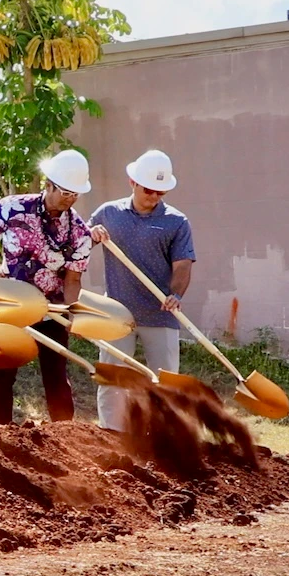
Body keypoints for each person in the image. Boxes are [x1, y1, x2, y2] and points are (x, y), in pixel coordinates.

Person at [89, 149, 194, 431]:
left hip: (160, 313)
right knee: (113, 379)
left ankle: (163, 437)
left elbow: (183, 264)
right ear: (132, 182)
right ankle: (111, 433)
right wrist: (91, 234)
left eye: (161, 192)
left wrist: (176, 294)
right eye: (149, 189)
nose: (154, 197)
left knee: (165, 382)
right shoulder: (108, 213)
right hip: (118, 314)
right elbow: (79, 245)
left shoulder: (176, 221)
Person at [0, 149, 94, 423]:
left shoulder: (80, 233)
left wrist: (72, 313)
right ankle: (0, 434)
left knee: (56, 375)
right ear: (48, 184)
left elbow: (73, 279)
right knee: (1, 373)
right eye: (64, 192)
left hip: (51, 309)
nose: (69, 200)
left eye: (75, 195)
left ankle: (64, 437)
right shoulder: (11, 208)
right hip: (9, 305)